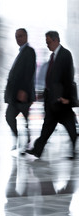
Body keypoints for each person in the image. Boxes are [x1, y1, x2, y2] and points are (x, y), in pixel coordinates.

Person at [26, 31, 77, 159]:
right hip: (51, 98)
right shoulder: (53, 56)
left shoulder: (65, 55)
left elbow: (68, 77)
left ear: (55, 40)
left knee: (68, 124)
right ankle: (37, 150)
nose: (47, 45)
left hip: (61, 99)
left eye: (48, 42)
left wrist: (67, 97)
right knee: (48, 126)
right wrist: (45, 93)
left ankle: (73, 147)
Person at [4, 28, 36, 151]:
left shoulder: (29, 51)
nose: (18, 38)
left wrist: (23, 90)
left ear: (26, 36)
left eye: (21, 36)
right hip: (15, 95)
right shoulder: (21, 52)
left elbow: (29, 72)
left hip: (23, 94)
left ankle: (25, 140)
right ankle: (19, 138)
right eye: (17, 36)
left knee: (23, 117)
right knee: (10, 116)